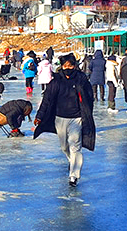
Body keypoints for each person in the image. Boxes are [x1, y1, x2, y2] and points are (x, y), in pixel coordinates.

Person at [33, 54, 96, 187]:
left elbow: (89, 97)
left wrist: (87, 112)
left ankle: (74, 175)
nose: (68, 68)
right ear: (61, 66)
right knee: (64, 147)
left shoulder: (81, 79)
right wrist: (39, 116)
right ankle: (71, 161)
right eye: (65, 65)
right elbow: (47, 100)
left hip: (76, 118)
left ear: (74, 66)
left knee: (75, 147)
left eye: (70, 65)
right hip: (60, 118)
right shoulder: (56, 81)